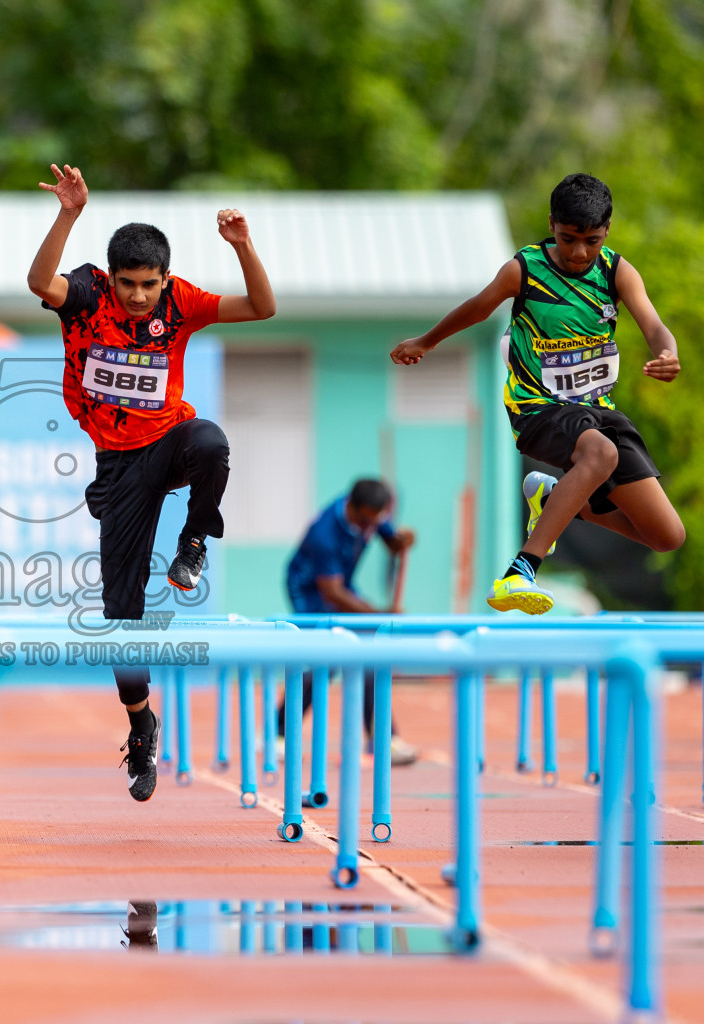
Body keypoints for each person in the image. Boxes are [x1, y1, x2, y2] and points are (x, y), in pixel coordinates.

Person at [27, 164, 277, 801]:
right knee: (121, 617)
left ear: (165, 279)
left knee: (212, 442)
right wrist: (68, 215)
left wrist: (244, 247)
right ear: (112, 279)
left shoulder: (181, 302)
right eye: (129, 286)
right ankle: (142, 722)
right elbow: (37, 282)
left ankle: (194, 541)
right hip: (118, 464)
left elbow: (262, 307)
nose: (139, 298)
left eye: (149, 285)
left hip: (169, 444)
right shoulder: (86, 295)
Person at [390, 173, 685, 614]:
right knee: (600, 454)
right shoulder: (524, 270)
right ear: (552, 224)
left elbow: (653, 323)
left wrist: (667, 350)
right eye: (568, 239)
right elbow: (478, 307)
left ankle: (558, 500)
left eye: (592, 240)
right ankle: (520, 571)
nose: (579, 252)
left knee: (666, 536)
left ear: (607, 231)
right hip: (538, 409)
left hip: (598, 412)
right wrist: (426, 341)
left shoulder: (616, 271)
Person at [280, 478, 420, 769]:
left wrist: (400, 541)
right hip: (311, 589)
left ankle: (384, 739)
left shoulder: (373, 514)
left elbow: (390, 540)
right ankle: (277, 734)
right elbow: (331, 592)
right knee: (325, 661)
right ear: (351, 507)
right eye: (366, 520)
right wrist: (379, 615)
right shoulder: (324, 534)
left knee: (369, 649)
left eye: (376, 520)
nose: (371, 525)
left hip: (342, 584)